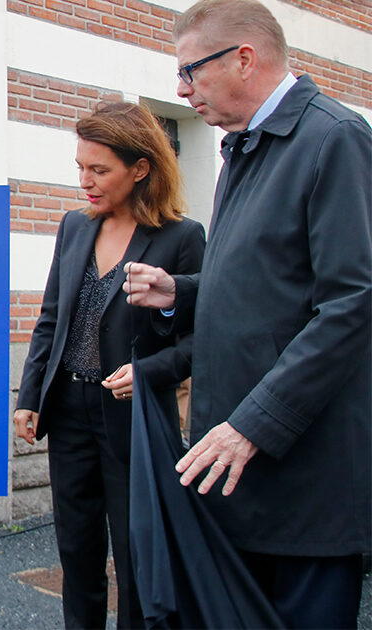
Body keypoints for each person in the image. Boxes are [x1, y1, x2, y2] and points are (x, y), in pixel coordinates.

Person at [123, 1, 371, 627]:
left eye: (191, 72)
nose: (181, 90)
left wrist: (252, 425)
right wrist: (179, 290)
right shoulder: (245, 147)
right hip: (240, 473)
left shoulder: (333, 139)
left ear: (244, 58)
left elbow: (352, 304)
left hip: (302, 483)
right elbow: (267, 281)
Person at [14, 102, 205, 629]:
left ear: (140, 168)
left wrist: (150, 372)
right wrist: (30, 396)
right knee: (77, 554)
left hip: (135, 418)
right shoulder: (76, 227)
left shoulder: (182, 237)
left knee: (138, 555)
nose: (84, 182)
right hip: (69, 412)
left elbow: (202, 340)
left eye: (99, 170)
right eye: (80, 167)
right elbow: (52, 319)